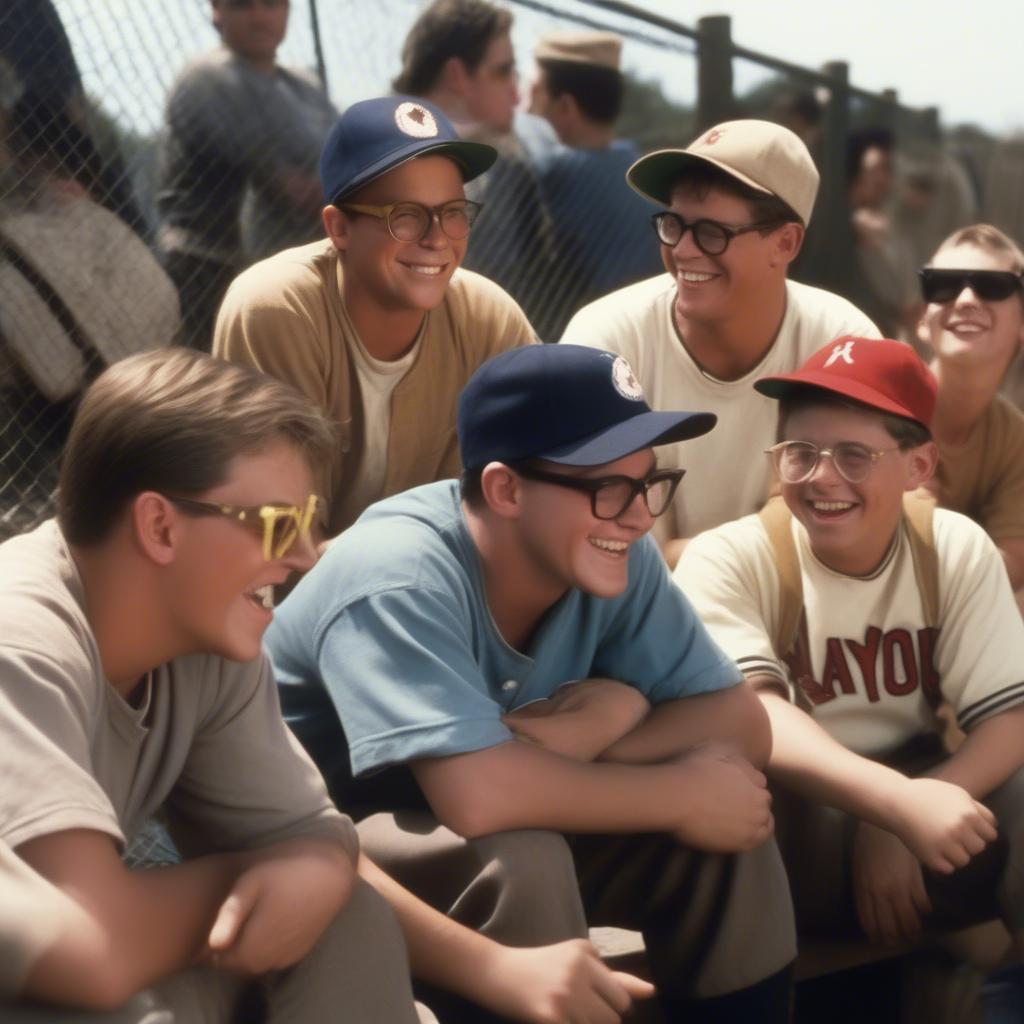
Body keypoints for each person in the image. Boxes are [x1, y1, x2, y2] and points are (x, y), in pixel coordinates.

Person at [0, 347, 657, 1024]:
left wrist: (308, 868)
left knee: (343, 913)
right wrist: (262, 877)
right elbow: (86, 945)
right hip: (52, 980)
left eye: (311, 523)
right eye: (279, 525)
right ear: (160, 526)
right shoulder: (19, 642)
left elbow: (311, 837)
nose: (307, 554)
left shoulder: (209, 637)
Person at [266, 343, 798, 1023]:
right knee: (519, 856)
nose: (639, 517)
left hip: (473, 814)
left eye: (647, 483)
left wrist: (597, 732)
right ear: (505, 489)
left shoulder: (613, 549)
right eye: (608, 488)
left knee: (727, 836)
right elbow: (479, 798)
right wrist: (676, 790)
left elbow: (740, 724)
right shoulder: (400, 571)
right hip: (320, 857)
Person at [677, 337, 1024, 956]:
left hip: (923, 810)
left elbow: (1011, 717)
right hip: (787, 832)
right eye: (800, 453)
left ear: (918, 467)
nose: (822, 477)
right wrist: (891, 806)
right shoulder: (728, 557)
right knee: (728, 791)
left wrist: (914, 806)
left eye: (854, 456)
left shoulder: (953, 547)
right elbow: (757, 718)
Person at [561, 118, 880, 567]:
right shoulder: (605, 340)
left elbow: (853, 527)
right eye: (673, 224)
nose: (684, 250)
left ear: (785, 243)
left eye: (712, 232)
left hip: (793, 611)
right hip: (631, 616)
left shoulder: (842, 342)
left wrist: (690, 556)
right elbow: (590, 532)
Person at [214, 95, 535, 538]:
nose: (437, 239)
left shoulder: (490, 319)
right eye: (405, 216)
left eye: (453, 213)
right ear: (338, 228)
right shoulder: (277, 309)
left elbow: (540, 489)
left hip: (449, 588)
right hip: (292, 601)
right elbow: (275, 539)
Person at [156, 0, 338, 350]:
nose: (259, 17)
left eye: (271, 4)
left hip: (275, 271)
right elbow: (291, 188)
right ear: (216, 10)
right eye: (242, 5)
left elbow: (345, 161)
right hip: (204, 270)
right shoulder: (209, 77)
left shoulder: (302, 87)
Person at [393, 0, 562, 337]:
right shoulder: (387, 167)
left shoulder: (500, 164)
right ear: (457, 76)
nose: (516, 96)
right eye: (502, 72)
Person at [525, 29, 663, 334]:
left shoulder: (552, 172)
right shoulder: (639, 172)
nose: (524, 107)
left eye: (533, 92)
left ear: (565, 108)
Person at [915, 224, 1024, 593]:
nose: (964, 300)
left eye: (993, 286)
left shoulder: (1014, 438)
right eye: (942, 285)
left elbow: (1011, 570)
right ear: (922, 319)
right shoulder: (880, 405)